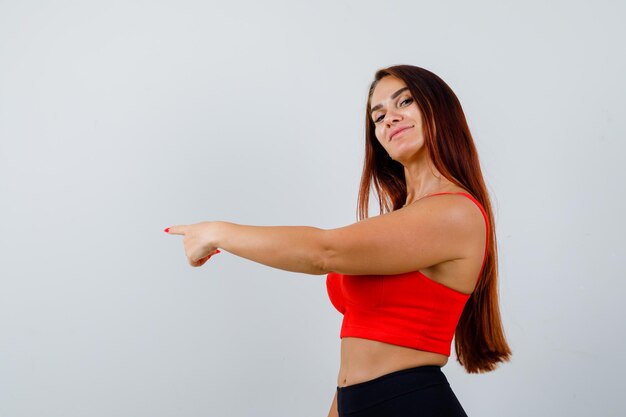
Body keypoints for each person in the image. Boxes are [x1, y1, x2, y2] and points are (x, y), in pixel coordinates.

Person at [165, 64, 512, 417]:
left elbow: (323, 252)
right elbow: (356, 356)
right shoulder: (403, 219)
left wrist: (216, 233)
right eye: (378, 116)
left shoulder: (453, 213)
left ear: (440, 110)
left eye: (404, 102)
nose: (389, 119)